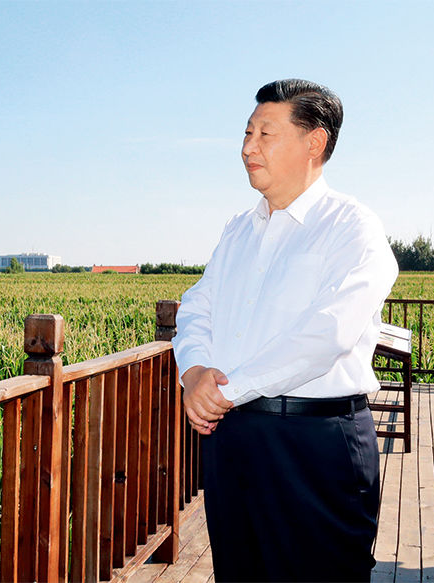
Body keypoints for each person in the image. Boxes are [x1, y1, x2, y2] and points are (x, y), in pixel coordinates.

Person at [171, 79, 398, 582]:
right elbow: (197, 307)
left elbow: (327, 334)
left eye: (265, 134)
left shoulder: (352, 227)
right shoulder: (239, 228)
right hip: (233, 439)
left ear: (314, 143)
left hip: (315, 445)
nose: (247, 148)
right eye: (247, 133)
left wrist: (225, 391)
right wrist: (194, 371)